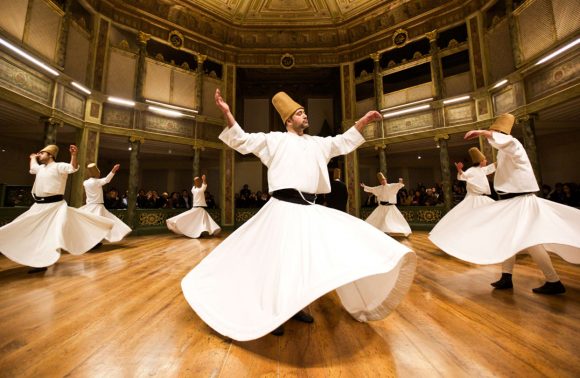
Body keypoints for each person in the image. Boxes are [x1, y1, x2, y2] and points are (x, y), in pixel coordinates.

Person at [181, 89, 416, 341]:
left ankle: (295, 307)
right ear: (289, 119)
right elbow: (242, 140)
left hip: (310, 210)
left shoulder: (318, 144)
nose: (305, 116)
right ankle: (274, 314)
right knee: (279, 262)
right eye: (300, 113)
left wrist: (364, 121)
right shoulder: (274, 140)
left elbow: (342, 141)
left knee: (304, 261)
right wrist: (227, 113)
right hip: (282, 208)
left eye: (304, 112)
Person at [429, 114, 580, 294]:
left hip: (521, 201)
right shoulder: (504, 152)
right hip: (514, 201)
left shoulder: (514, 144)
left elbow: (505, 141)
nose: (492, 136)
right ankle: (507, 277)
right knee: (513, 237)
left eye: (494, 132)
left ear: (499, 133)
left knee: (531, 241)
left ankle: (552, 280)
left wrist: (483, 132)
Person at [0, 144, 114, 272]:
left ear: (50, 155)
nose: (40, 155)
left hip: (54, 207)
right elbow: (33, 168)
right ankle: (35, 258)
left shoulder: (59, 166)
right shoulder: (41, 168)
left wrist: (74, 155)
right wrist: (32, 157)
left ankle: (41, 261)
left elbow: (73, 167)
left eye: (42, 153)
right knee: (20, 226)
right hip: (38, 206)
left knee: (47, 235)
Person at [429, 147, 495, 244]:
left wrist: (502, 159)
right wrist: (460, 170)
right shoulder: (472, 170)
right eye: (484, 159)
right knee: (469, 219)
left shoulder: (482, 170)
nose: (486, 161)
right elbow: (463, 176)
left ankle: (484, 236)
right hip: (474, 198)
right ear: (480, 161)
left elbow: (490, 168)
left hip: (482, 198)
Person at [79, 163, 132, 243]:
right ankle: (94, 241)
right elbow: (107, 179)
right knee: (108, 222)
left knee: (92, 225)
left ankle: (93, 241)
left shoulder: (85, 182)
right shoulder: (97, 182)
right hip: (97, 206)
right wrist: (114, 170)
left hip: (89, 206)